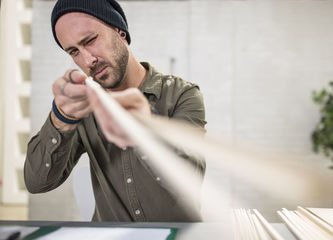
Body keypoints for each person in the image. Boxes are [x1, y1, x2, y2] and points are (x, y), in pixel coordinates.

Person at [24, 0, 206, 222]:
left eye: (90, 40)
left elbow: (190, 177)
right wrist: (61, 119)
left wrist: (145, 128)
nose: (88, 60)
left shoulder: (181, 94)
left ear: (120, 32)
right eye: (74, 51)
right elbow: (37, 182)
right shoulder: (84, 105)